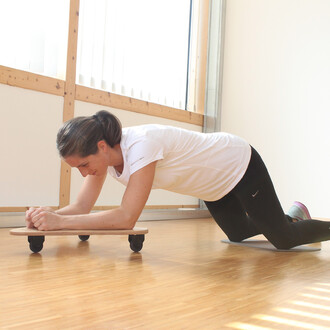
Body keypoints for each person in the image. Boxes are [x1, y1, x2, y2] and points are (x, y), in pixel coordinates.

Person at [25, 110, 330, 249]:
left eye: (84, 165)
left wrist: (58, 223)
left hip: (238, 165)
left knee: (282, 240)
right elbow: (80, 206)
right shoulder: (103, 160)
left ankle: (286, 223)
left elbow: (126, 218)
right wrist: (48, 215)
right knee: (237, 234)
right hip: (212, 187)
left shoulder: (142, 145)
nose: (84, 173)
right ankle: (289, 216)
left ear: (101, 147)